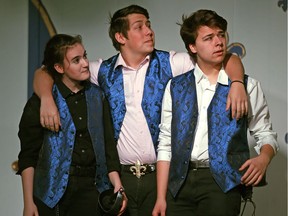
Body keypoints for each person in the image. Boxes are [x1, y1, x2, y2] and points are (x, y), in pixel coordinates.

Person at [33, 5, 248, 216]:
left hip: (159, 178)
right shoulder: (101, 70)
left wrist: (237, 82)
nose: (149, 31)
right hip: (119, 178)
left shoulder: (171, 62)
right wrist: (46, 98)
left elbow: (225, 57)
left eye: (149, 24)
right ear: (120, 37)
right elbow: (45, 71)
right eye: (139, 27)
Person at [152, 9, 279, 216]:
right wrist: (160, 197)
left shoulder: (247, 85)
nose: (219, 42)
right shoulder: (175, 86)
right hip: (178, 184)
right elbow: (165, 142)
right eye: (209, 38)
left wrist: (263, 158)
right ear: (192, 47)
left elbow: (265, 134)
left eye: (221, 34)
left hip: (222, 184)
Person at [17, 34, 126, 216]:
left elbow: (108, 145)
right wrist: (28, 202)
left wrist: (117, 184)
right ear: (59, 67)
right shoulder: (43, 100)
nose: (85, 63)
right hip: (52, 195)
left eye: (84, 56)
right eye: (76, 60)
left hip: (92, 189)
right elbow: (28, 155)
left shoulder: (98, 96)